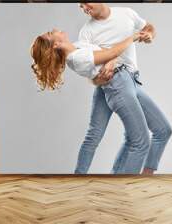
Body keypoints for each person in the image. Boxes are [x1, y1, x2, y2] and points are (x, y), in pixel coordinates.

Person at [31, 28, 156, 174]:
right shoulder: (76, 57)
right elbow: (111, 53)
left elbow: (109, 52)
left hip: (108, 84)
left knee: (94, 135)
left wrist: (111, 59)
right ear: (55, 45)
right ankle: (125, 185)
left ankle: (85, 176)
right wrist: (133, 37)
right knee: (139, 141)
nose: (56, 30)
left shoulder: (79, 46)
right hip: (116, 83)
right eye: (51, 33)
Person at [74, 3, 172, 174]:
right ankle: (114, 185)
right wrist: (99, 79)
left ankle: (143, 175)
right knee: (133, 140)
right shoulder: (86, 32)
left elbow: (148, 26)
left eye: (85, 3)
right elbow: (88, 70)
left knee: (162, 130)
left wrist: (149, 33)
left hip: (132, 79)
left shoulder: (126, 13)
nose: (83, 8)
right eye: (80, 5)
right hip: (114, 83)